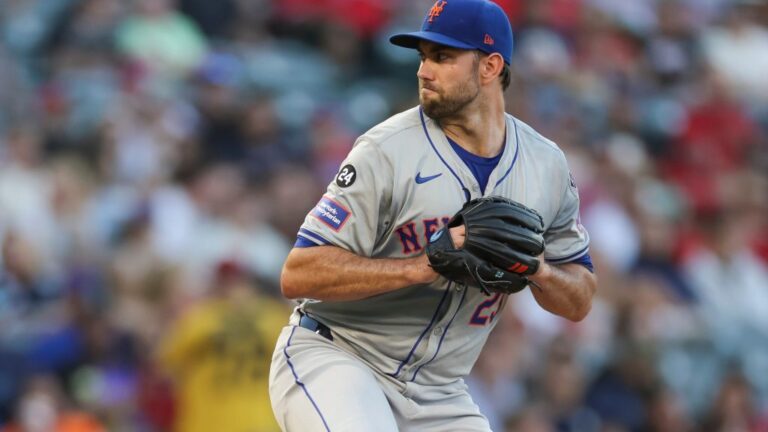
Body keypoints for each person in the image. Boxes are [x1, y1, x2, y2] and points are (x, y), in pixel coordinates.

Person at [268, 1, 597, 430]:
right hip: (339, 356)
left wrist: (535, 268)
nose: (424, 70)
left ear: (490, 67)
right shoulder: (386, 149)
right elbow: (299, 274)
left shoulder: (545, 166)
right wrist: (420, 267)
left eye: (442, 57)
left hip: (438, 392)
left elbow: (580, 299)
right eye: (423, 56)